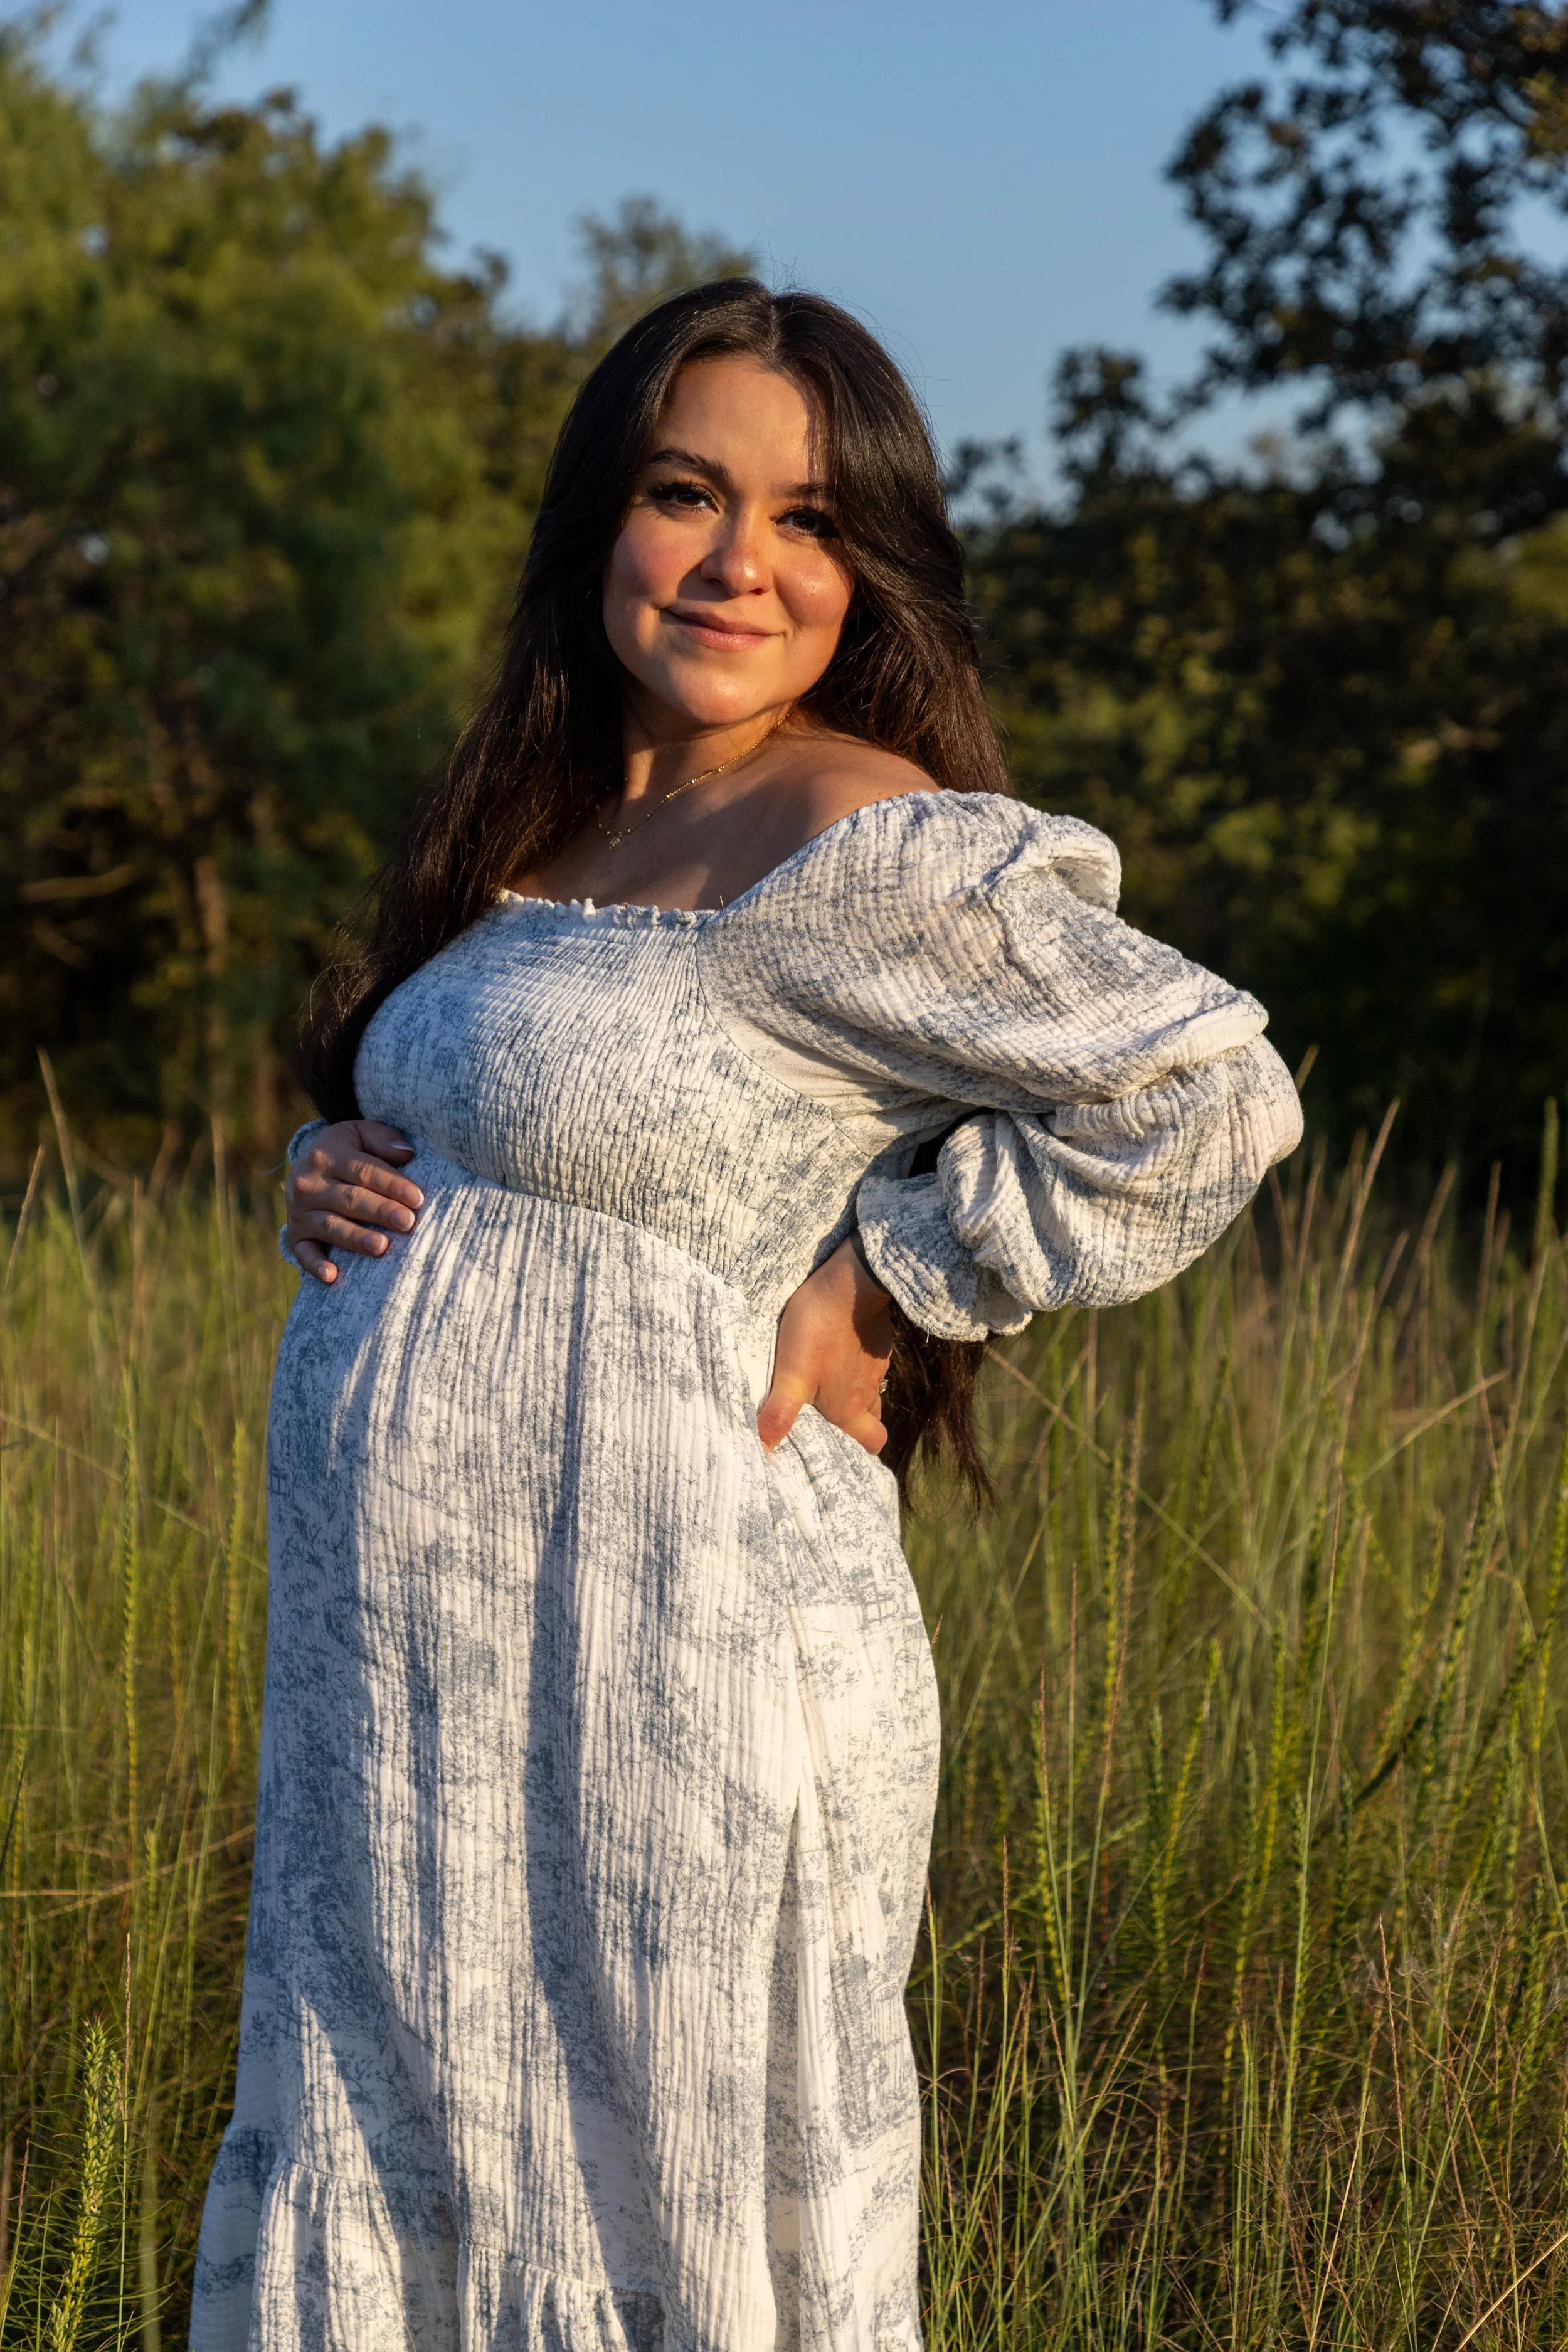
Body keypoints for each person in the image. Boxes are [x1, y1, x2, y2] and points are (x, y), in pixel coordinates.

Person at [190, 280, 1301, 2352]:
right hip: (415, 1717)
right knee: (437, 2154)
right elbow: (524, 1130)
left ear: (868, 571)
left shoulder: (859, 831)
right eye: (685, 490)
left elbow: (1205, 1090)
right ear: (597, 512)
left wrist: (901, 1277)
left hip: (665, 1667)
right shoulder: (549, 822)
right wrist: (333, 1166)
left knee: (664, 2194)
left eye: (808, 521)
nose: (739, 563)